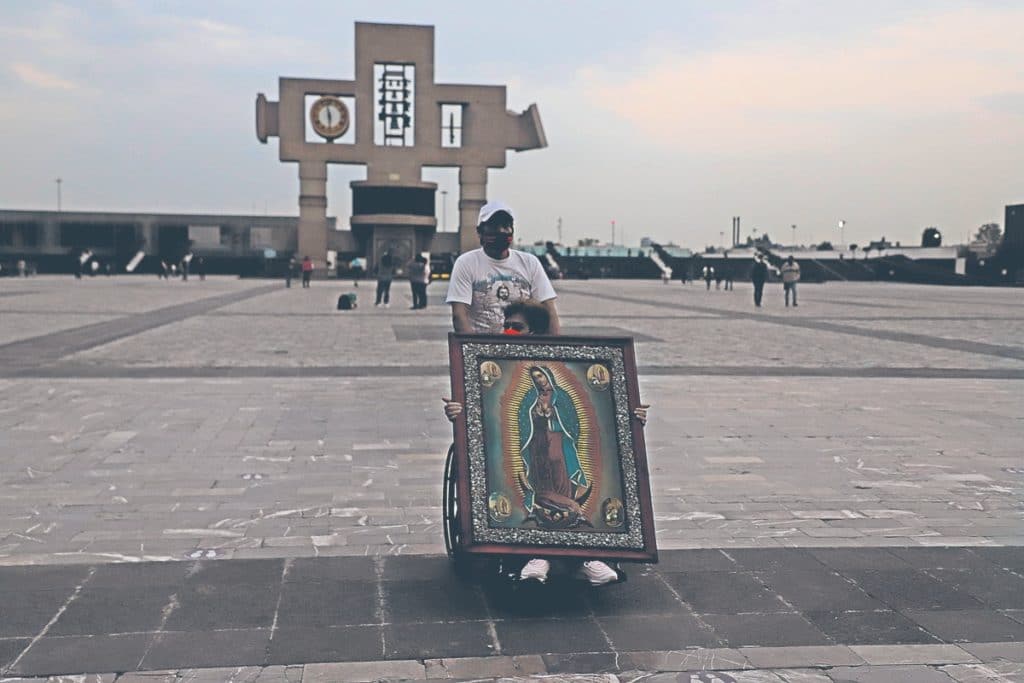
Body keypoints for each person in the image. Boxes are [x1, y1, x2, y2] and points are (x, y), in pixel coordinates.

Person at [442, 300, 647, 587]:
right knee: (540, 489)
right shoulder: (498, 367)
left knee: (564, 487)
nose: (508, 331)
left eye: (517, 327)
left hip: (559, 448)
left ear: (536, 333)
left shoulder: (560, 390)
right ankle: (533, 556)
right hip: (536, 449)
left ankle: (586, 557)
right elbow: (492, 421)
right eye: (507, 326)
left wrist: (630, 416)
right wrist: (459, 414)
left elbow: (587, 422)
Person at [446, 200, 560, 334]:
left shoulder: (529, 262)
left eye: (505, 226)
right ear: (480, 232)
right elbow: (459, 316)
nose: (501, 231)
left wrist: (551, 350)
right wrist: (472, 350)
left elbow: (549, 310)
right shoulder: (466, 263)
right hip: (482, 350)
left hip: (521, 350)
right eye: (494, 226)